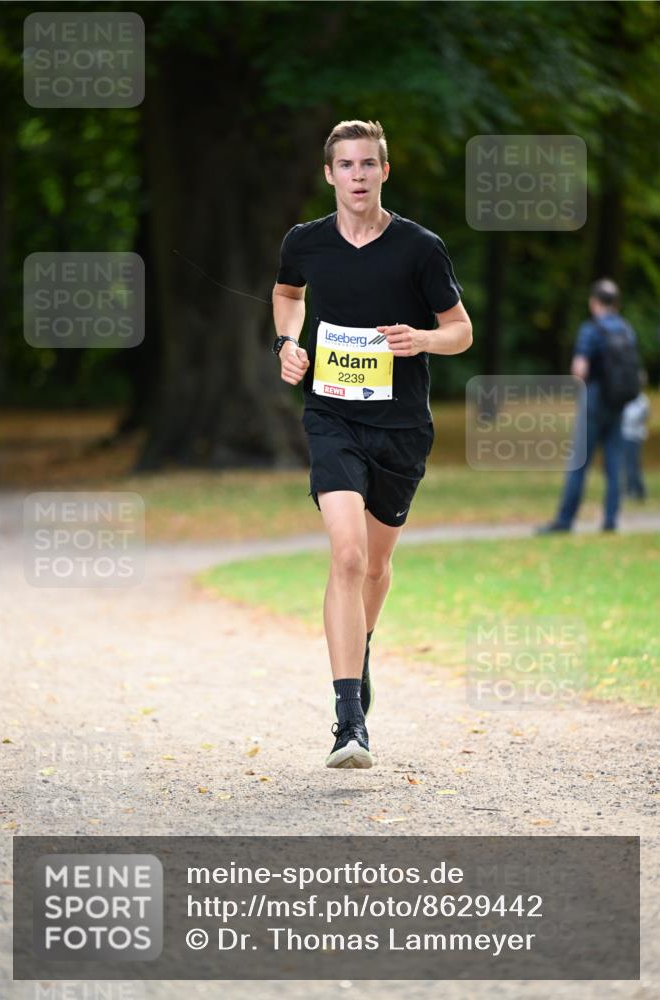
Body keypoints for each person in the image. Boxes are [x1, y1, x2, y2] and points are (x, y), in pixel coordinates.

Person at [271, 119, 472, 769]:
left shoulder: (419, 249)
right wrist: (287, 344)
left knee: (377, 566)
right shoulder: (304, 243)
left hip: (401, 427)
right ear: (328, 175)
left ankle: (360, 651)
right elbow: (285, 294)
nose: (357, 176)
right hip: (330, 416)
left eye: (368, 165)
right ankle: (348, 720)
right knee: (348, 555)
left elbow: (460, 330)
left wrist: (422, 339)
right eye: (345, 166)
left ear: (385, 171)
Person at [537, 278, 640, 534]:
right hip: (618, 402)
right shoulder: (627, 330)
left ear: (594, 302)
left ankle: (565, 520)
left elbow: (580, 368)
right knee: (614, 462)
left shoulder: (591, 329)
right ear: (616, 302)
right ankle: (610, 521)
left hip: (594, 400)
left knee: (578, 462)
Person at [621, 371, 650, 500]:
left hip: (634, 436)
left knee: (632, 465)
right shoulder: (627, 397)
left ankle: (636, 490)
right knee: (627, 465)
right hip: (625, 434)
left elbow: (637, 418)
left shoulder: (642, 401)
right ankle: (634, 489)